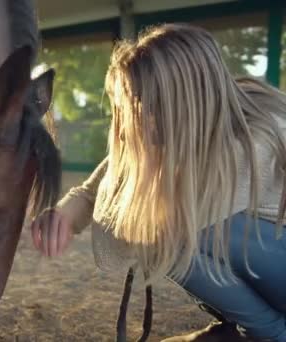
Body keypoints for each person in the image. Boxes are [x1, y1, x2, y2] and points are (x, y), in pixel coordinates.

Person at [30, 23, 286, 341]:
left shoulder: (260, 137)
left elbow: (142, 222)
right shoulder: (171, 137)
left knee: (169, 232)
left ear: (180, 102)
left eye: (143, 103)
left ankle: (271, 333)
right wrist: (62, 217)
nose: (132, 116)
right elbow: (96, 189)